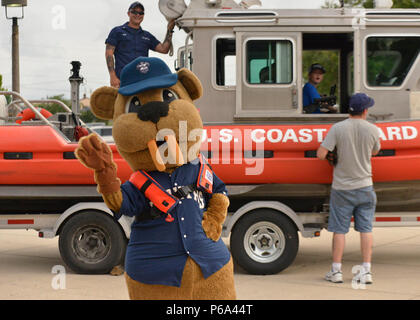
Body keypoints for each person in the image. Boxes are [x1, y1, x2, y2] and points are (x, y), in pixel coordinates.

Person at [317, 93, 381, 284]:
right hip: (365, 187)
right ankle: (366, 271)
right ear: (366, 110)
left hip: (342, 189)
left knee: (339, 230)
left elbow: (321, 154)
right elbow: (375, 151)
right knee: (366, 229)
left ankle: (336, 271)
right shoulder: (373, 130)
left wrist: (334, 155)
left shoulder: (337, 128)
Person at [105, 2, 176, 88]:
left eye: (141, 13)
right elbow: (109, 54)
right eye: (134, 12)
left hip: (143, 81)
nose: (138, 15)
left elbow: (164, 49)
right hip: (123, 80)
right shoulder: (117, 31)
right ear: (128, 13)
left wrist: (169, 30)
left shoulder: (147, 36)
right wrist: (113, 76)